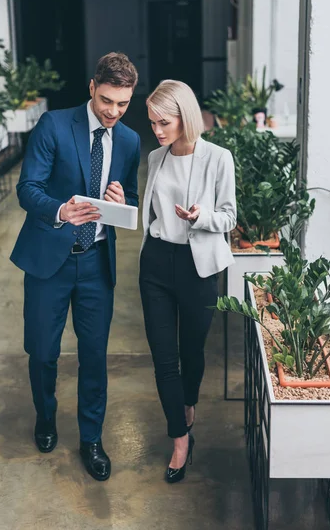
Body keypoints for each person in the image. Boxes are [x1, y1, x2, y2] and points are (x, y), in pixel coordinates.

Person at [10, 52, 140, 482]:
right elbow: (27, 188)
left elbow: (133, 201)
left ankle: (92, 439)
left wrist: (125, 205)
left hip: (96, 265)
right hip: (50, 261)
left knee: (94, 358)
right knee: (43, 352)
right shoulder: (54, 125)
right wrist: (62, 211)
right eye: (107, 101)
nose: (113, 112)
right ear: (92, 87)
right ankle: (45, 418)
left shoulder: (130, 141)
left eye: (122, 104)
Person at [139, 80, 236, 483]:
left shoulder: (218, 157)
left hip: (199, 267)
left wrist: (201, 217)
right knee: (164, 358)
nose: (157, 131)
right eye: (152, 123)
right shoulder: (155, 157)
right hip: (157, 264)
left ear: (185, 117)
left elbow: (229, 217)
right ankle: (180, 439)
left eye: (164, 122)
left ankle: (189, 401)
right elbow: (153, 213)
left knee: (191, 351)